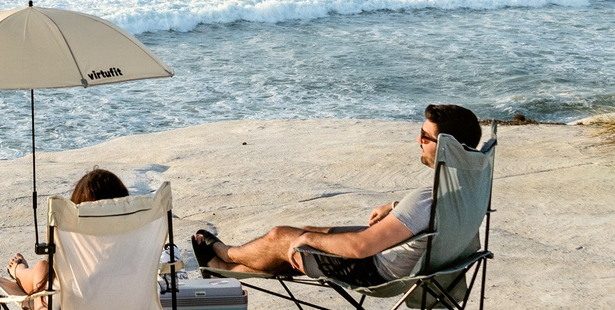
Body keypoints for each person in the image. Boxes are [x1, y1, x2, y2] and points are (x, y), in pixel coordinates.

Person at [193, 105, 481, 283]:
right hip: (408, 254)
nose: (417, 140)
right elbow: (424, 216)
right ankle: (221, 268)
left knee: (282, 237)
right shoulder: (466, 188)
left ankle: (222, 254)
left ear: (447, 147)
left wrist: (308, 241)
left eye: (425, 137)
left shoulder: (426, 200)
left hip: (372, 269)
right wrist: (395, 206)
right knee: (302, 233)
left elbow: (360, 248)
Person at [5, 167, 128, 310]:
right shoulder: (134, 249)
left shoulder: (76, 258)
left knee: (43, 277)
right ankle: (23, 274)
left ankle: (19, 273)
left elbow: (54, 299)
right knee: (46, 274)